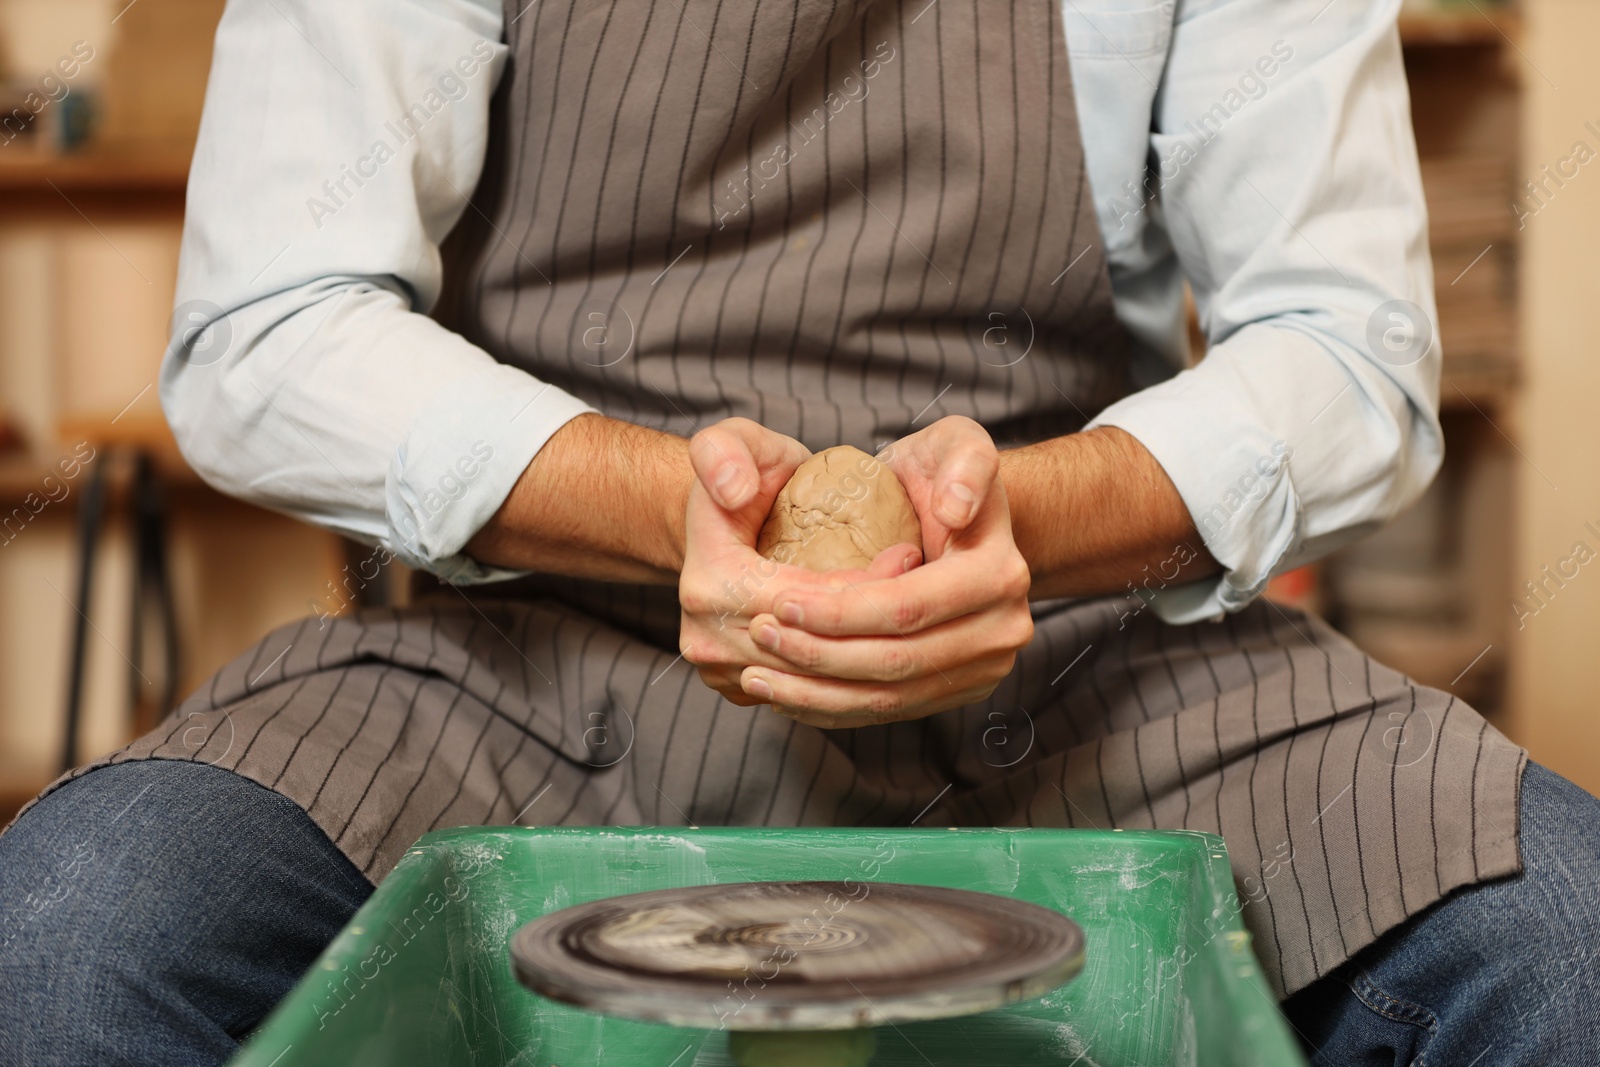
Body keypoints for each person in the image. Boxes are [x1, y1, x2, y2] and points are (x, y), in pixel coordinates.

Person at [2, 0, 1596, 1063]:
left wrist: (1019, 521)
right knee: (72, 949)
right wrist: (659, 501)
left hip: (1088, 655)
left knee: (1569, 953)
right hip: (523, 664)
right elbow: (263, 329)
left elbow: (1349, 348)